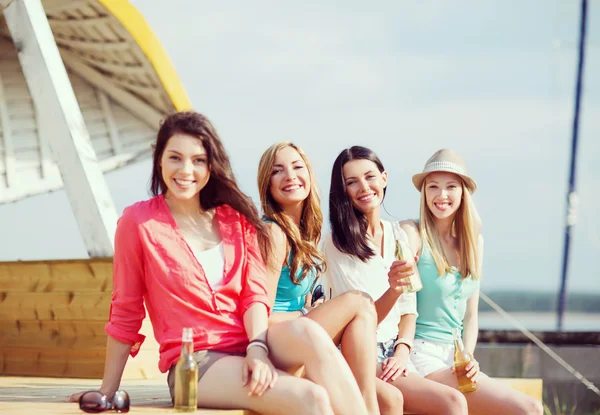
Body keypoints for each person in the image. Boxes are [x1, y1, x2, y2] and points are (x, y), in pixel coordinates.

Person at [67, 112, 371, 415]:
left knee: (310, 332)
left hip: (250, 344)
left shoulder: (235, 218)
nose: (186, 170)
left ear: (211, 166)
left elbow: (254, 294)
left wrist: (258, 348)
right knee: (312, 397)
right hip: (197, 363)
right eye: (175, 158)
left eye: (198, 160)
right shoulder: (139, 222)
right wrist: (107, 390)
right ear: (159, 160)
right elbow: (126, 309)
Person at [257, 142, 405, 415]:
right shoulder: (273, 234)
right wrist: (307, 314)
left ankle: (366, 404)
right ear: (267, 184)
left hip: (301, 335)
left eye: (297, 167)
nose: (290, 176)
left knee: (392, 399)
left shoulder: (307, 233)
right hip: (275, 341)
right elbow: (260, 315)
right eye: (278, 171)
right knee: (359, 302)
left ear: (310, 175)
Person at [323, 145, 469, 415]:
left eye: (370, 177)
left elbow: (409, 309)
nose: (364, 187)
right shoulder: (337, 244)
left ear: (384, 178)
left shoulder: (398, 235)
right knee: (401, 401)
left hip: (397, 354)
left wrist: (402, 350)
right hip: (359, 354)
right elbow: (362, 320)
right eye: (351, 182)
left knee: (455, 402)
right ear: (343, 191)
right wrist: (392, 290)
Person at [402, 148, 543, 415]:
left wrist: (468, 357)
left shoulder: (474, 242)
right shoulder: (412, 231)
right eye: (433, 186)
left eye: (451, 187)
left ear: (463, 192)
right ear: (424, 193)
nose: (441, 195)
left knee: (531, 408)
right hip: (419, 354)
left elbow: (470, 316)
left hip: (456, 357)